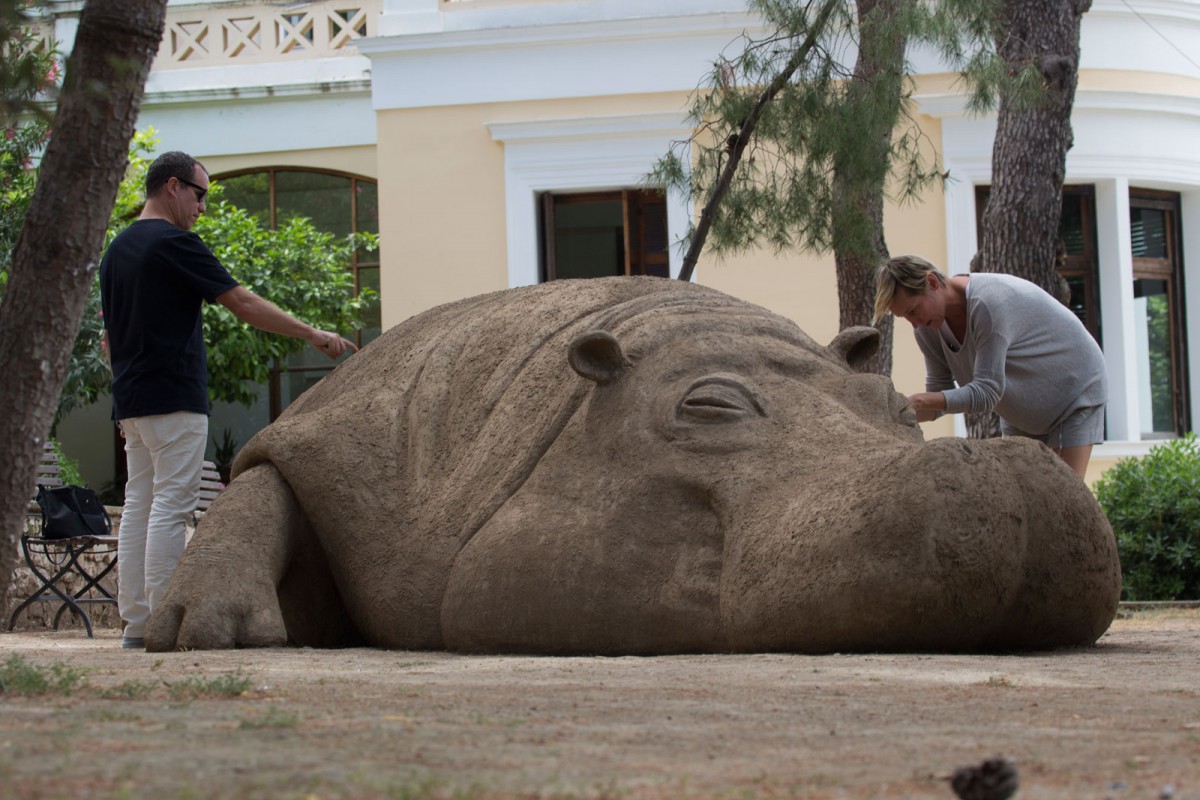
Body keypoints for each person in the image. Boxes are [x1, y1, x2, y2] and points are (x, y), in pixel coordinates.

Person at [100, 151, 357, 650]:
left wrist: (123, 399)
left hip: (132, 401)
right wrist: (310, 333)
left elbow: (111, 339)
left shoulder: (117, 249)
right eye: (200, 195)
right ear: (172, 186)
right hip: (173, 398)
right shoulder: (175, 242)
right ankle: (160, 619)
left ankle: (134, 622)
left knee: (139, 504)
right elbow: (240, 302)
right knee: (170, 508)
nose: (202, 207)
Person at [873, 255, 1107, 479]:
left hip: (1074, 391)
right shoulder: (927, 329)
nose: (915, 323)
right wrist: (892, 416)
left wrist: (920, 402)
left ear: (932, 282)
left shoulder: (988, 304)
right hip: (1021, 409)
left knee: (1062, 497)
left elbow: (987, 393)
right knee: (1024, 499)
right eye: (905, 317)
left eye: (913, 310)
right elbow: (939, 392)